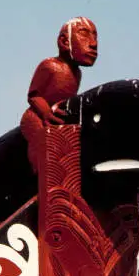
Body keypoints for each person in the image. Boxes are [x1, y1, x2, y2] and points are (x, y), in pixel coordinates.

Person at [20, 17, 98, 172]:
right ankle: (41, 179)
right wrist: (46, 113)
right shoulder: (49, 66)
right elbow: (33, 95)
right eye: (84, 34)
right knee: (43, 144)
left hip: (57, 118)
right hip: (37, 116)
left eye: (95, 36)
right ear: (64, 42)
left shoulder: (77, 73)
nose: (93, 43)